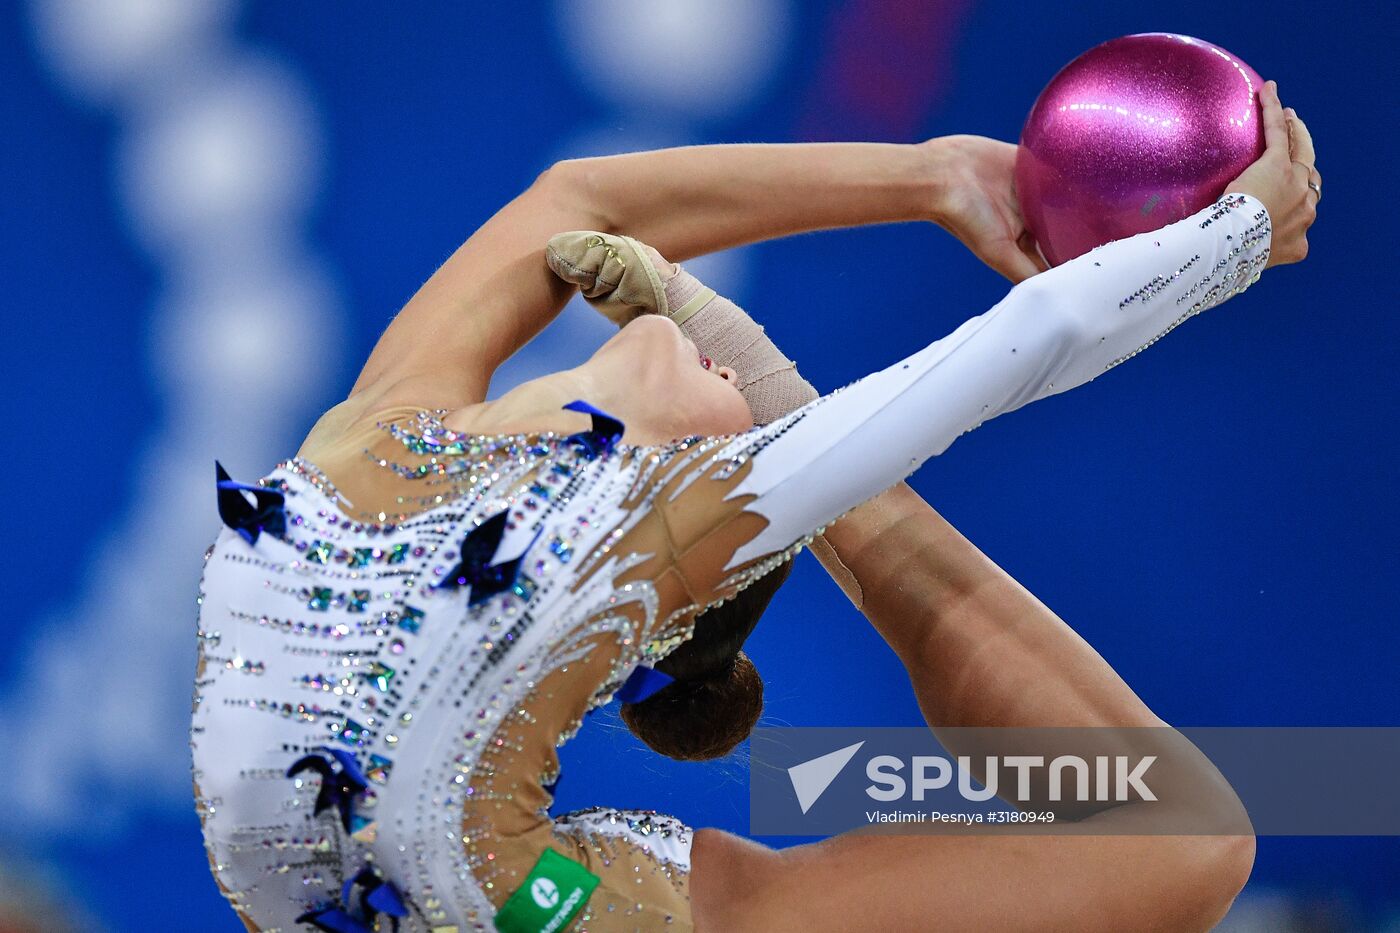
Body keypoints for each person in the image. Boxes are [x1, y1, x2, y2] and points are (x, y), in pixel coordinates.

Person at [191, 81, 1318, 932]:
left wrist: (1226, 240)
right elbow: (572, 200)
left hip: (541, 909)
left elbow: (1030, 343)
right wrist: (929, 177)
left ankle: (854, 517)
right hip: (495, 896)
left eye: (751, 408)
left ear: (692, 599)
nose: (730, 375)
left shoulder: (661, 522)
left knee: (1179, 839)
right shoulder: (384, 422)